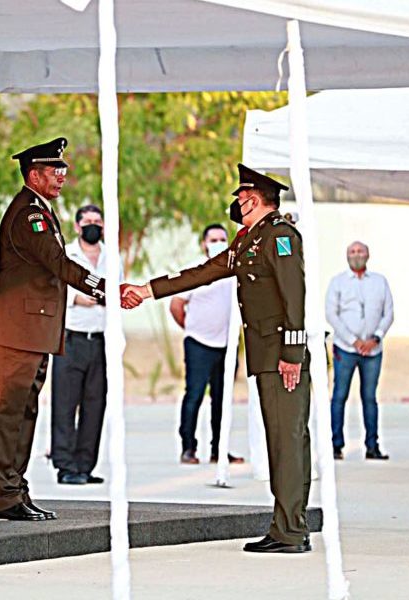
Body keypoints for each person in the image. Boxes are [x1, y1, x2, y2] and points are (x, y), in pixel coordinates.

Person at [123, 164, 312, 554]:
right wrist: (147, 291)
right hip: (266, 355)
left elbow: (295, 297)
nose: (237, 203)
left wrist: (292, 354)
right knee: (279, 441)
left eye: (241, 197)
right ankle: (283, 525)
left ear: (255, 198)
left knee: (288, 441)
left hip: (281, 357)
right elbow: (204, 272)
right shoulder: (249, 240)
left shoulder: (281, 236)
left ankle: (292, 530)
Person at [0, 137, 106, 521]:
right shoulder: (28, 214)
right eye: (55, 170)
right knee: (8, 418)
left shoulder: (41, 210)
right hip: (16, 333)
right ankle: (4, 495)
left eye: (63, 169)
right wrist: (102, 289)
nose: (63, 176)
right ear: (34, 174)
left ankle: (16, 491)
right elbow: (57, 263)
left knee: (23, 415)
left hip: (31, 333)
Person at [168, 224, 243, 465]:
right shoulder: (195, 270)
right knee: (195, 395)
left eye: (223, 238)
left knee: (222, 399)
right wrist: (191, 328)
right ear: (204, 244)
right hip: (199, 343)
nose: (219, 242)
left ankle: (218, 450)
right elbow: (176, 304)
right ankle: (188, 448)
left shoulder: (235, 271)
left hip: (227, 346)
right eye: (214, 239)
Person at [51, 204, 108, 485]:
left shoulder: (112, 257)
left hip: (100, 340)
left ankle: (85, 464)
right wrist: (75, 298)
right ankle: (65, 465)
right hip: (70, 339)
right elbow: (53, 288)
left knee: (94, 404)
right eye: (87, 221)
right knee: (65, 404)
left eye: (97, 221)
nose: (92, 225)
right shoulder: (66, 255)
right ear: (77, 226)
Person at [325, 241, 394, 461]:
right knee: (339, 396)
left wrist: (375, 338)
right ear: (347, 256)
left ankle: (372, 446)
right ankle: (335, 445)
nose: (356, 255)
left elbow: (388, 312)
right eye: (352, 252)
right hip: (345, 349)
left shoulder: (380, 282)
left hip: (373, 350)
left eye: (360, 251)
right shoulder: (338, 282)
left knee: (369, 398)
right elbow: (331, 314)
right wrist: (354, 341)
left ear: (368, 254)